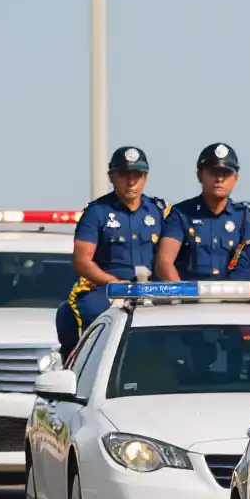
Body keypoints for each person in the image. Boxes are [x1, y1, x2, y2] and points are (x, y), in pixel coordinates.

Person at [58, 146, 166, 351]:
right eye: (124, 174)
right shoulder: (97, 212)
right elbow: (82, 261)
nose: (131, 181)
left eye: (137, 175)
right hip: (107, 288)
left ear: (146, 177)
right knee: (89, 311)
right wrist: (116, 284)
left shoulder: (160, 211)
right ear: (112, 177)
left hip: (153, 289)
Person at [156, 142, 250, 281]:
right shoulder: (181, 214)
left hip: (232, 299)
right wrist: (183, 295)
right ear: (200, 175)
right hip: (188, 299)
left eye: (225, 173)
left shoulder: (244, 217)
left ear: (235, 179)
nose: (219, 179)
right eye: (213, 173)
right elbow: (164, 262)